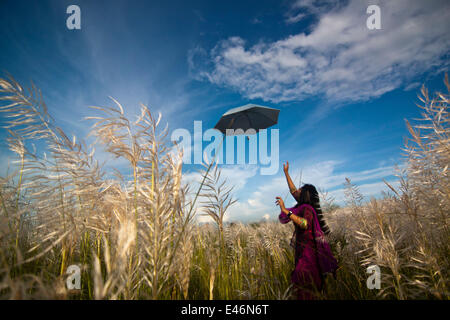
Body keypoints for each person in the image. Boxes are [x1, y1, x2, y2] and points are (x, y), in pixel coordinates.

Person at [275, 161, 338, 300]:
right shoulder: (302, 206)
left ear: (305, 196)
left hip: (308, 254)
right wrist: (286, 173)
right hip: (302, 250)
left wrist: (286, 211)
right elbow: (292, 190)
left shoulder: (307, 209)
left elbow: (304, 224)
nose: (296, 191)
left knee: (305, 281)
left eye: (300, 190)